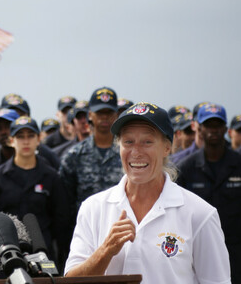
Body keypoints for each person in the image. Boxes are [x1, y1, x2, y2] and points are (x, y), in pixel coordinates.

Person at [65, 102, 230, 283]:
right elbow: (70, 280)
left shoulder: (200, 214)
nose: (136, 152)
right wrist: (106, 250)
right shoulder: (93, 208)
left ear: (167, 147)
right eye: (128, 142)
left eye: (147, 142)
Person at [0, 116, 71, 270]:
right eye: (20, 136)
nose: (26, 141)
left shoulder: (51, 177)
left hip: (43, 255)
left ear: (39, 140)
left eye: (30, 136)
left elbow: (62, 222)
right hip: (6, 257)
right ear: (11, 141)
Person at [176, 103, 240, 283]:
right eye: (208, 125)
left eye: (217, 125)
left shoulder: (239, 164)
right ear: (199, 128)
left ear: (226, 129)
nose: (213, 130)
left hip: (236, 251)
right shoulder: (186, 168)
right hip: (197, 252)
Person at [59, 87, 122, 218]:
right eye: (99, 113)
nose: (104, 117)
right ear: (90, 115)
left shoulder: (127, 153)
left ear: (116, 115)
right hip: (86, 229)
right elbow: (65, 201)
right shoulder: (74, 155)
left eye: (109, 112)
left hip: (122, 226)